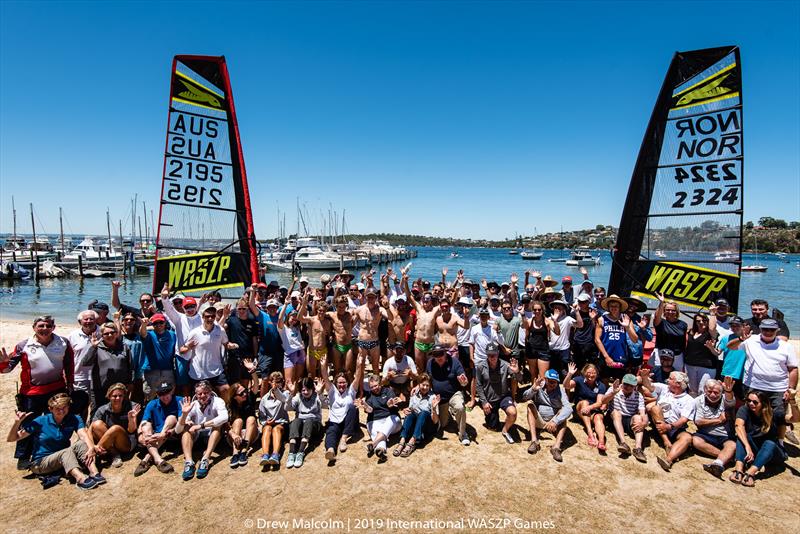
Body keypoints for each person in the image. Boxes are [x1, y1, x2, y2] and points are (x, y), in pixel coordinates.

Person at [1, 315, 74, 470]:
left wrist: (70, 384)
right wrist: (3, 363)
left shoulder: (63, 342)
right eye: (41, 326)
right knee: (28, 423)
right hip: (32, 392)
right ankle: (23, 457)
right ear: (34, 328)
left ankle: (54, 450)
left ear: (54, 327)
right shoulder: (24, 345)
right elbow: (7, 369)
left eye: (48, 326)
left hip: (57, 389)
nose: (45, 329)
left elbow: (69, 364)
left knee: (57, 421)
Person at [6, 393, 102, 490]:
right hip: (41, 462)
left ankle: (94, 472)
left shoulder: (74, 419)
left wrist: (91, 448)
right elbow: (12, 438)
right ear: (50, 409)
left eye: (64, 407)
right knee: (66, 452)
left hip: (63, 456)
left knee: (82, 443)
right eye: (57, 408)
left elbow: (83, 435)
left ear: (68, 407)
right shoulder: (40, 421)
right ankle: (80, 478)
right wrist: (17, 423)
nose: (61, 411)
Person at [731, 317, 798, 447]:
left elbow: (793, 369)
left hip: (778, 388)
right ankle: (752, 440)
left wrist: (790, 388)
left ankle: (779, 442)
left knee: (778, 416)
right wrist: (741, 339)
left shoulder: (786, 346)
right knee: (753, 415)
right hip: (753, 386)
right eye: (765, 329)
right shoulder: (751, 340)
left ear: (777, 330)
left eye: (771, 329)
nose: (768, 332)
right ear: (760, 329)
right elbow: (731, 347)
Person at [179, 305, 238, 401]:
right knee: (199, 398)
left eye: (213, 316)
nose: (210, 319)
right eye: (207, 316)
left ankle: (226, 410)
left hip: (216, 370)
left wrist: (231, 345)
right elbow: (182, 350)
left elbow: (226, 343)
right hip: (198, 373)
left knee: (226, 389)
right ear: (202, 317)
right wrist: (188, 347)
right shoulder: (195, 332)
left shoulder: (220, 330)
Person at [642, 371, 696, 471]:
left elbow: (684, 419)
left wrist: (669, 426)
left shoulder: (689, 400)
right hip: (658, 421)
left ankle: (668, 460)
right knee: (655, 408)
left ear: (678, 384)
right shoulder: (664, 388)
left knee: (687, 437)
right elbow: (649, 386)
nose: (668, 380)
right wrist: (644, 377)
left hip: (675, 428)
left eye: (671, 379)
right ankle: (666, 441)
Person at [176, 381, 229, 480]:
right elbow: (178, 430)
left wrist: (201, 426)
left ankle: (206, 459)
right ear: (196, 395)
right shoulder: (193, 404)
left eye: (205, 392)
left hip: (212, 435)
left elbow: (224, 417)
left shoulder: (218, 401)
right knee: (186, 428)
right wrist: (184, 415)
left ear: (210, 392)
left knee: (218, 425)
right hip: (196, 437)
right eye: (199, 394)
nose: (203, 395)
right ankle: (189, 462)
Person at [730, 390, 782, 487]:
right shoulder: (744, 410)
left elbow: (795, 419)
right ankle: (739, 469)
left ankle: (750, 473)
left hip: (772, 453)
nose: (751, 404)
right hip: (756, 450)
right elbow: (738, 426)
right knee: (742, 436)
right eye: (748, 400)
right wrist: (747, 447)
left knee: (769, 443)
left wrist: (792, 401)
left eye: (755, 402)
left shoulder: (773, 414)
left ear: (763, 404)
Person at [83, 321, 134, 413]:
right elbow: (85, 363)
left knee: (118, 412)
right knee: (97, 413)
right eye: (106, 333)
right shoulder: (97, 347)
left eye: (112, 332)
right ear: (102, 335)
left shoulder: (124, 347)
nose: (110, 335)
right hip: (100, 388)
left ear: (116, 333)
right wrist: (93, 347)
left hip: (119, 390)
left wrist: (130, 383)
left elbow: (130, 366)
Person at [320, 353, 363, 462]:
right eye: (339, 383)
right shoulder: (332, 391)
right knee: (331, 432)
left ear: (347, 383)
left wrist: (359, 364)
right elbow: (325, 377)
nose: (341, 385)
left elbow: (357, 377)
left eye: (344, 382)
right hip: (335, 421)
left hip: (348, 422)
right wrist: (323, 366)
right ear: (335, 383)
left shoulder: (351, 391)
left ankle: (344, 439)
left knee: (353, 407)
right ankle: (330, 450)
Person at [475, 343, 521, 443]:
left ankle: (505, 430)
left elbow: (519, 379)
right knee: (493, 427)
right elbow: (478, 385)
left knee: (512, 413)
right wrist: (484, 402)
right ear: (486, 355)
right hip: (490, 400)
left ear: (498, 353)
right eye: (489, 355)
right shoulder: (480, 367)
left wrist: (517, 371)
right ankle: (493, 421)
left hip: (504, 396)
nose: (492, 357)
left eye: (494, 355)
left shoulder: (505, 365)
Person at [524, 369, 573, 461]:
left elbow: (569, 408)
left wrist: (555, 421)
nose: (553, 384)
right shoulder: (539, 386)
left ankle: (556, 447)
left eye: (555, 382)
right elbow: (525, 397)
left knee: (563, 414)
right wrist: (533, 388)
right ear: (545, 380)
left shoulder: (560, 390)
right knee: (530, 406)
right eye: (551, 381)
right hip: (539, 419)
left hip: (553, 422)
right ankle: (534, 441)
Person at [426, 343, 470, 446]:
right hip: (440, 398)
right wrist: (418, 387)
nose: (439, 357)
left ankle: (463, 434)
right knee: (443, 424)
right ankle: (448, 413)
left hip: (454, 394)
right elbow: (427, 379)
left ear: (445, 353)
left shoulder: (454, 362)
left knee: (459, 407)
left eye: (441, 354)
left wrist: (463, 381)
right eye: (436, 355)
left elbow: (464, 382)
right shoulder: (430, 363)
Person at [135, 381, 181, 476]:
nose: (165, 396)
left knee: (171, 418)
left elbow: (182, 423)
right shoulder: (152, 403)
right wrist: (140, 436)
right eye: (161, 394)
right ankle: (158, 460)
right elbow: (143, 422)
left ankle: (146, 459)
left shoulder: (180, 400)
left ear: (172, 391)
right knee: (146, 425)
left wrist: (167, 433)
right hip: (155, 437)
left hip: (172, 433)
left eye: (167, 392)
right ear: (157, 394)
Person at [692, 378, 737, 478]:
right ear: (704, 390)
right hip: (705, 434)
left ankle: (718, 463)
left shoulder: (726, 398)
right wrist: (718, 420)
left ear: (721, 393)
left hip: (725, 435)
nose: (712, 395)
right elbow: (698, 421)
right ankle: (728, 457)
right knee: (695, 441)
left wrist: (728, 390)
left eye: (716, 392)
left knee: (732, 445)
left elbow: (730, 401)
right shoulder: (698, 400)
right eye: (709, 391)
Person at [90, 383, 141, 468]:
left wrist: (132, 419)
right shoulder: (103, 409)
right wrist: (91, 446)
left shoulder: (132, 407)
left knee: (115, 428)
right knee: (96, 424)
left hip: (127, 442)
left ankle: (94, 454)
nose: (117, 398)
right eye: (114, 396)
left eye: (120, 396)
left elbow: (131, 431)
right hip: (110, 442)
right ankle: (114, 454)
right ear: (109, 396)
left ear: (124, 396)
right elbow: (90, 429)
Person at [602, 374, 648, 461]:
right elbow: (603, 401)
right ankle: (623, 443)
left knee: (638, 418)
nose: (628, 387)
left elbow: (643, 413)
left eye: (631, 385)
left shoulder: (638, 395)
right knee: (616, 413)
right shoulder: (615, 389)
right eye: (626, 384)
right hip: (613, 418)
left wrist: (644, 422)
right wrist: (613, 392)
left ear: (634, 386)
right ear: (622, 383)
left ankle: (638, 448)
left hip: (628, 419)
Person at [563, 362, 608, 451]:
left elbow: (599, 403)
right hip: (580, 409)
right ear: (584, 372)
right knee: (585, 402)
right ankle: (590, 433)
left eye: (593, 373)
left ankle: (601, 442)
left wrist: (590, 408)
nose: (591, 375)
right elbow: (566, 385)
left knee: (598, 417)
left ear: (597, 374)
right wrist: (570, 374)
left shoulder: (601, 385)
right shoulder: (579, 380)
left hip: (593, 410)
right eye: (588, 373)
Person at [358, 373, 402, 461]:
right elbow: (370, 410)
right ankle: (381, 450)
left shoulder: (388, 391)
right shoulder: (369, 396)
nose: (374, 388)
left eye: (376, 386)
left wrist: (390, 404)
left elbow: (391, 403)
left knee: (390, 420)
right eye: (372, 387)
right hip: (375, 420)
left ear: (380, 384)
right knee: (375, 430)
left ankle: (373, 444)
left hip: (391, 421)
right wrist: (366, 406)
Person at [394, 373, 440, 457]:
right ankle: (402, 440)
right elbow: (411, 409)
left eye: (427, 385)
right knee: (410, 413)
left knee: (423, 413)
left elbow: (435, 421)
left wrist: (433, 408)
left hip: (428, 426)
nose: (425, 387)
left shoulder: (432, 397)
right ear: (419, 384)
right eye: (423, 385)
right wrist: (406, 410)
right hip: (417, 424)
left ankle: (412, 442)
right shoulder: (414, 394)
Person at [595, 295, 638, 381]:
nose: (613, 308)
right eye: (611, 306)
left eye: (616, 306)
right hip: (605, 355)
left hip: (620, 355)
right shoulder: (602, 319)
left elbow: (635, 339)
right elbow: (597, 339)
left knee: (620, 382)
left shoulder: (625, 318)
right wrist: (606, 357)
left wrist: (627, 328)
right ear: (608, 307)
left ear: (620, 307)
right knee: (604, 380)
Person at [285, 377, 324, 468]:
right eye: (303, 390)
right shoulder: (298, 397)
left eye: (308, 389)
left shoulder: (316, 396)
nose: (306, 392)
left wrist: (320, 393)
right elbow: (287, 408)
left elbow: (326, 405)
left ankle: (301, 452)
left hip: (314, 425)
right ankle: (291, 453)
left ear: (312, 389)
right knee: (296, 420)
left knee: (309, 420)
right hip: (301, 425)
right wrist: (291, 394)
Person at [223, 297, 260, 388]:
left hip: (248, 358)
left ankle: (246, 401)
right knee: (235, 385)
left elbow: (254, 340)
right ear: (236, 309)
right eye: (239, 308)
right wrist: (224, 316)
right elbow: (220, 328)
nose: (242, 311)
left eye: (244, 308)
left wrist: (255, 356)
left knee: (245, 383)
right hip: (234, 357)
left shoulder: (252, 322)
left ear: (247, 308)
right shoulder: (231, 320)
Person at [68, 310, 98, 420]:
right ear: (80, 321)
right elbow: (67, 358)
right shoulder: (72, 336)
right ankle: (81, 430)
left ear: (96, 320)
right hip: (79, 376)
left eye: (91, 319)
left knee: (96, 405)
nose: (89, 321)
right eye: (86, 319)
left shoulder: (102, 333)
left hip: (98, 376)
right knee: (80, 406)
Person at [139, 314, 177, 400]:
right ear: (152, 325)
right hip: (151, 371)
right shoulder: (149, 335)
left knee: (169, 395)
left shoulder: (172, 335)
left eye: (161, 322)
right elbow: (142, 333)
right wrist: (144, 324)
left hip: (168, 370)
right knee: (149, 396)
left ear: (165, 323)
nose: (159, 325)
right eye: (156, 323)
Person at [683, 307, 719, 396]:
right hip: (690, 365)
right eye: (698, 321)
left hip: (706, 367)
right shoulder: (690, 332)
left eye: (704, 320)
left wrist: (712, 314)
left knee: (703, 390)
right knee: (692, 391)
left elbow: (712, 328)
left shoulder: (711, 334)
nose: (701, 322)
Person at [257, 372, 291, 468]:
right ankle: (265, 455)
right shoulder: (264, 399)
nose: (276, 384)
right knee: (267, 428)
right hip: (268, 424)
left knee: (276, 429)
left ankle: (275, 454)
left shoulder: (286, 393)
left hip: (281, 423)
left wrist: (275, 390)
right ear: (269, 383)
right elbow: (261, 416)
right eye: (273, 382)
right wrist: (266, 422)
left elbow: (284, 399)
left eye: (278, 381)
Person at [298, 289, 332, 379]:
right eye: (320, 310)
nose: (321, 312)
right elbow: (299, 318)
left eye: (323, 311)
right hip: (312, 351)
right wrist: (304, 304)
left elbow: (328, 335)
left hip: (323, 351)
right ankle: (311, 391)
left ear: (326, 311)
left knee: (323, 374)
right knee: (311, 374)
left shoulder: (327, 322)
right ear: (317, 310)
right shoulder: (312, 320)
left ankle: (320, 391)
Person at [227, 373, 259, 468]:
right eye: (241, 393)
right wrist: (234, 435)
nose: (244, 394)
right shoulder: (229, 406)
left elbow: (256, 383)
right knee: (238, 421)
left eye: (244, 391)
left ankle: (244, 451)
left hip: (250, 434)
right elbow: (226, 426)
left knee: (251, 418)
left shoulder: (249, 398)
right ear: (234, 397)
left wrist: (253, 371)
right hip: (235, 436)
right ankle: (235, 453)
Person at [522, 301, 558, 383]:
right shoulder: (530, 321)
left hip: (544, 350)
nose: (537, 311)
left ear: (542, 310)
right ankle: (534, 393)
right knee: (533, 374)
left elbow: (557, 332)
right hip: (531, 350)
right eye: (535, 310)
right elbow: (526, 333)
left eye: (539, 309)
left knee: (543, 376)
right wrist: (523, 315)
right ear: (532, 310)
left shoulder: (548, 321)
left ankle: (542, 394)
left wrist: (555, 321)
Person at [653, 296, 688, 371]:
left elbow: (683, 342)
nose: (670, 312)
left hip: (677, 356)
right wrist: (661, 303)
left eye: (673, 310)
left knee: (676, 378)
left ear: (677, 312)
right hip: (661, 355)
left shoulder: (683, 324)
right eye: (667, 310)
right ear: (664, 311)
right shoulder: (660, 322)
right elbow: (656, 316)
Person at [547, 299, 581, 376]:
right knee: (553, 370)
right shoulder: (549, 319)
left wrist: (577, 312)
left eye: (560, 308)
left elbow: (580, 325)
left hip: (564, 349)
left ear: (564, 309)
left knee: (565, 370)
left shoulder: (567, 319)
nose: (557, 310)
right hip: (551, 348)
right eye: (555, 308)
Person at [718, 317, 747, 399]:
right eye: (732, 326)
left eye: (737, 325)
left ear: (743, 326)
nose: (734, 328)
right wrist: (711, 348)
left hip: (743, 374)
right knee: (726, 397)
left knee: (741, 398)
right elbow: (717, 352)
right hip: (728, 372)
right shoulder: (725, 338)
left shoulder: (749, 339)